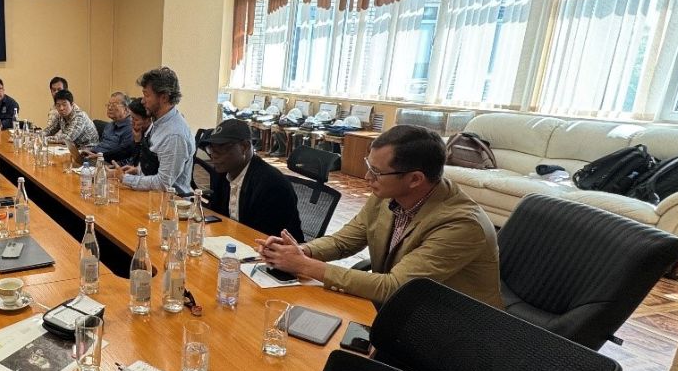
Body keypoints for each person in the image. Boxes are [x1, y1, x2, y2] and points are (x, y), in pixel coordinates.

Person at [260, 124, 501, 307]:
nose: (367, 178)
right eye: (369, 167)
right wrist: (300, 251)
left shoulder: (461, 225)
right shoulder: (387, 194)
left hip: (452, 326)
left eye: (376, 172)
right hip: (404, 309)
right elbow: (343, 241)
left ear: (415, 179)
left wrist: (305, 265)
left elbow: (395, 287)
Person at [202, 119, 304, 241]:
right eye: (211, 148)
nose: (214, 155)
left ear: (244, 147)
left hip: (273, 247)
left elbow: (265, 237)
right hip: (234, 241)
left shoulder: (271, 185)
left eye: (221, 148)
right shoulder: (223, 173)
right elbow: (218, 217)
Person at [121, 66, 194, 195]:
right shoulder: (159, 122)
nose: (142, 101)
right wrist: (138, 170)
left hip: (170, 202)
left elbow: (163, 183)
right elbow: (157, 164)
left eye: (146, 95)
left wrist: (124, 178)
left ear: (164, 97)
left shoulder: (174, 135)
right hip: (151, 195)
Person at [80, 92, 133, 163]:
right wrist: (90, 151)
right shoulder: (109, 125)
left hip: (109, 163)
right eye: (108, 105)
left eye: (114, 105)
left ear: (126, 109)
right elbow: (102, 145)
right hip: (95, 158)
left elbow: (124, 156)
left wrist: (99, 158)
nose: (109, 108)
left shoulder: (131, 128)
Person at [126, 97, 157, 174]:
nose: (132, 122)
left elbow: (144, 165)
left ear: (148, 120)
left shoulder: (154, 136)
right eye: (131, 118)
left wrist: (138, 142)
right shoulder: (140, 131)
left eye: (135, 119)